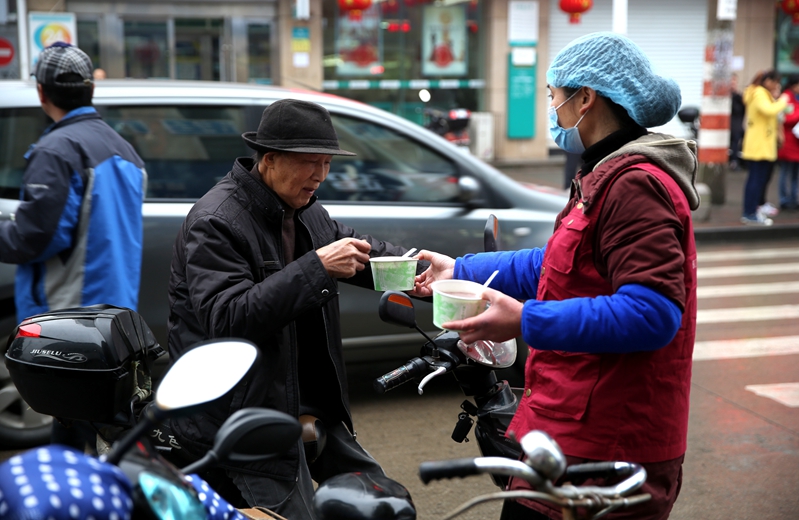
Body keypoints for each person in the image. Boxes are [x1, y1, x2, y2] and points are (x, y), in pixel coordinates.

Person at [412, 32, 698, 520]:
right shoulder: (603, 175)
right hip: (570, 428)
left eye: (554, 95)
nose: (552, 109)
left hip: (606, 444)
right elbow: (557, 264)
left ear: (585, 98)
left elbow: (652, 312)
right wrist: (460, 269)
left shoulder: (635, 186)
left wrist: (525, 320)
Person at [166, 99, 421, 519]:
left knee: (381, 503)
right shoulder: (216, 221)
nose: (320, 175)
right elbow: (228, 319)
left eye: (326, 163)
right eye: (309, 163)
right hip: (243, 415)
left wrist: (435, 276)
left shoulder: (305, 208)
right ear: (269, 159)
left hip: (306, 400)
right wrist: (316, 267)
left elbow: (363, 254)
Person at [0, 42, 145, 327]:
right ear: (91, 89)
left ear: (41, 92)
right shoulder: (125, 149)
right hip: (116, 316)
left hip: (66, 320)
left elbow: (34, 237)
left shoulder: (55, 150)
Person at [740, 70, 791, 225]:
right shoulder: (759, 93)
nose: (777, 85)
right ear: (768, 81)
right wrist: (783, 101)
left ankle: (753, 211)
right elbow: (769, 110)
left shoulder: (758, 92)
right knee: (756, 180)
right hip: (759, 144)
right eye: (776, 82)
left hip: (760, 144)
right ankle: (750, 213)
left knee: (758, 179)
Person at [777, 74, 799, 211]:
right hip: (788, 141)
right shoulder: (786, 97)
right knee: (785, 172)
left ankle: (794, 198)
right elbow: (786, 118)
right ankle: (784, 200)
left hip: (796, 143)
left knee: (795, 174)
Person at [729, 72, 745, 171]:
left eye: (734, 81)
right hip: (726, 125)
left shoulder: (740, 97)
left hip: (736, 125)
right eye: (731, 81)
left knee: (736, 142)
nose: (732, 83)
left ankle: (735, 161)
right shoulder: (725, 98)